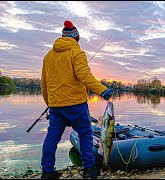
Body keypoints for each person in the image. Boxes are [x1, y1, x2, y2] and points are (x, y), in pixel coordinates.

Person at [40, 20, 113, 179]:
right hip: (76, 105)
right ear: (77, 38)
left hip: (56, 106)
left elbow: (44, 83)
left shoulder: (48, 56)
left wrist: (50, 103)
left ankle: (47, 172)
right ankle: (89, 169)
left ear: (62, 36)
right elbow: (84, 76)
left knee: (52, 138)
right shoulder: (77, 53)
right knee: (85, 134)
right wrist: (102, 90)